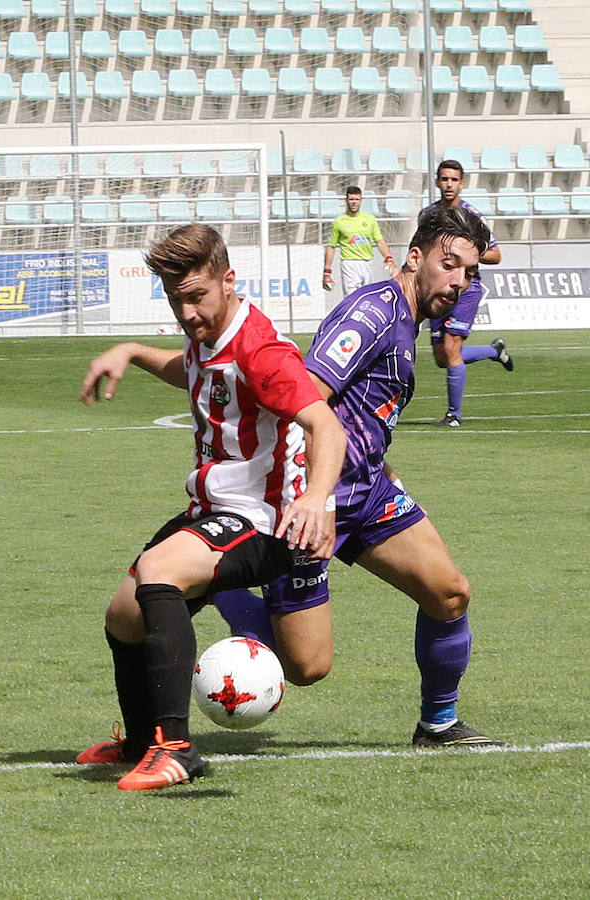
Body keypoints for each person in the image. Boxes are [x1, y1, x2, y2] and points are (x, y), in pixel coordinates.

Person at [215, 204, 506, 749]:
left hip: (366, 491)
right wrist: (316, 498)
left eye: (469, 272)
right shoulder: (371, 313)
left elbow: (363, 413)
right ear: (415, 257)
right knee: (305, 667)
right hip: (313, 499)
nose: (459, 281)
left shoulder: (407, 321)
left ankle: (438, 725)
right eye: (450, 264)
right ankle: (218, 587)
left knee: (449, 593)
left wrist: (385, 471)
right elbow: (306, 399)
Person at [76, 224, 347, 792]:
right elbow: (191, 371)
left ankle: (175, 750)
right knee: (124, 615)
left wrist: (317, 502)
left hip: (265, 523)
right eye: (177, 300)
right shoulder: (208, 334)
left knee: (157, 573)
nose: (188, 312)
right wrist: (130, 351)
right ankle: (138, 740)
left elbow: (326, 424)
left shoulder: (260, 349)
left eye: (196, 296)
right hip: (215, 508)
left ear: (228, 281)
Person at [423, 160, 513, 428]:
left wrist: (466, 253)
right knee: (442, 357)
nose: (449, 184)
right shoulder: (428, 215)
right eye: (444, 179)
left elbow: (495, 254)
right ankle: (494, 351)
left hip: (465, 288)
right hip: (438, 289)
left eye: (454, 179)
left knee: (451, 348)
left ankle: (454, 415)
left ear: (461, 183)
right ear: (437, 182)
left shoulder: (471, 216)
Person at [323, 186, 397, 296]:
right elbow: (331, 246)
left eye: (356, 199)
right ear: (346, 200)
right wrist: (327, 270)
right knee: (351, 298)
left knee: (366, 297)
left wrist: (388, 256)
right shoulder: (339, 222)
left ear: (361, 200)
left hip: (367, 262)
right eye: (351, 199)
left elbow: (379, 241)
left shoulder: (370, 219)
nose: (354, 202)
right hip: (349, 263)